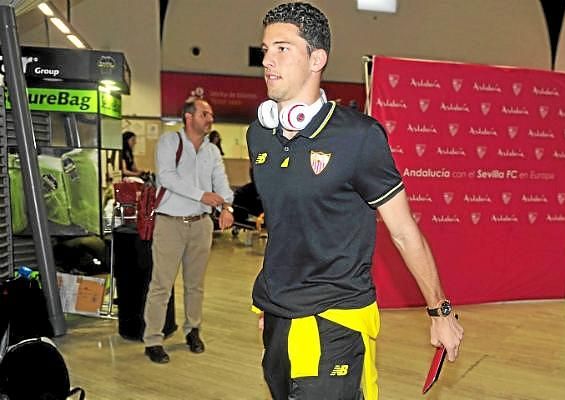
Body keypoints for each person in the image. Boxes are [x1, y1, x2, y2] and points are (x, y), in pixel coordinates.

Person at [246, 3, 463, 398]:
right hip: (278, 314)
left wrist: (440, 311)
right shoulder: (259, 135)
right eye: (265, 50)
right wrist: (271, 303)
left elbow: (404, 232)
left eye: (282, 49)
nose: (267, 61)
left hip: (338, 319)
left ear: (317, 59)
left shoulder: (359, 137)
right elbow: (284, 226)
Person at [142, 98, 234, 364]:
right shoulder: (169, 142)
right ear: (188, 117)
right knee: (161, 285)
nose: (210, 119)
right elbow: (167, 177)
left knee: (196, 285)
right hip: (170, 223)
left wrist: (227, 207)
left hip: (201, 224)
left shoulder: (212, 151)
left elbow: (222, 183)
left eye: (211, 114)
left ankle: (193, 330)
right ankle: (153, 339)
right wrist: (202, 195)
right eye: (205, 114)